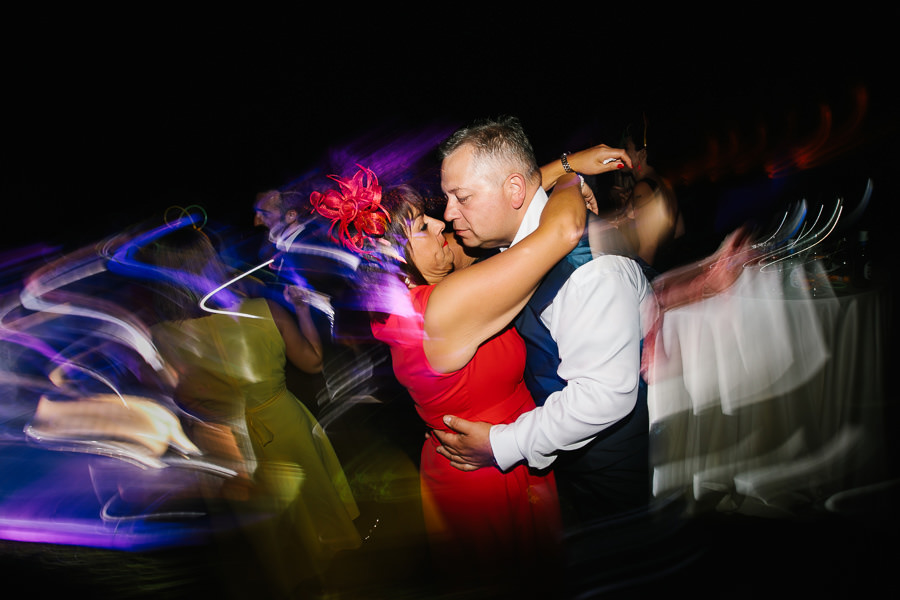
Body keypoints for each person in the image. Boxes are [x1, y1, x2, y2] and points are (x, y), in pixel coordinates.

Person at [304, 159, 595, 587]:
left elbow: (496, 197)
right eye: (422, 226)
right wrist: (573, 178)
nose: (442, 224)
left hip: (495, 458)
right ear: (393, 258)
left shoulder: (412, 302)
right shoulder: (440, 310)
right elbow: (562, 231)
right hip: (485, 480)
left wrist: (564, 163)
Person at [432, 116, 655, 531]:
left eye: (461, 197)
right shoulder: (515, 247)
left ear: (515, 190)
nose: (448, 213)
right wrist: (569, 172)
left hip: (614, 467)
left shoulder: (592, 272)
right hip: (569, 460)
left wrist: (502, 445)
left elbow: (605, 396)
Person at [135, 223, 361, 596]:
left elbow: (178, 398)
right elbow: (312, 363)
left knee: (270, 544)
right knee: (316, 522)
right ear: (211, 262)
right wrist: (302, 310)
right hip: (285, 427)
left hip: (229, 448)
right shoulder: (265, 310)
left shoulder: (161, 336)